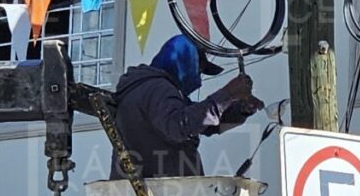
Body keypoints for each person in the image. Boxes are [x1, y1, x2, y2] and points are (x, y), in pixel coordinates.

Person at [109, 34, 265, 179]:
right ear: (185, 62)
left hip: (164, 193)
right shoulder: (157, 87)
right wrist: (227, 94)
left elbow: (205, 124)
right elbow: (181, 126)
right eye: (198, 69)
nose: (198, 79)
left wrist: (239, 110)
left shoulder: (154, 87)